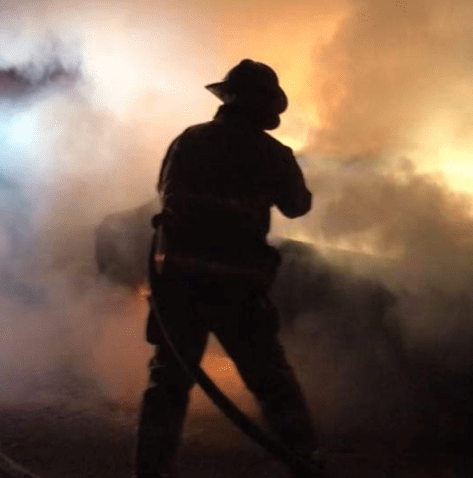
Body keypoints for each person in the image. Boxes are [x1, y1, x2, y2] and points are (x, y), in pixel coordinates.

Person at [136, 60, 319, 478]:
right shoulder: (273, 153)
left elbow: (167, 194)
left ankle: (149, 473)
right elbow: (298, 205)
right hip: (238, 290)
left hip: (179, 286)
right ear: (265, 108)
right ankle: (306, 463)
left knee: (168, 384)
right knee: (272, 384)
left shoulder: (188, 141)